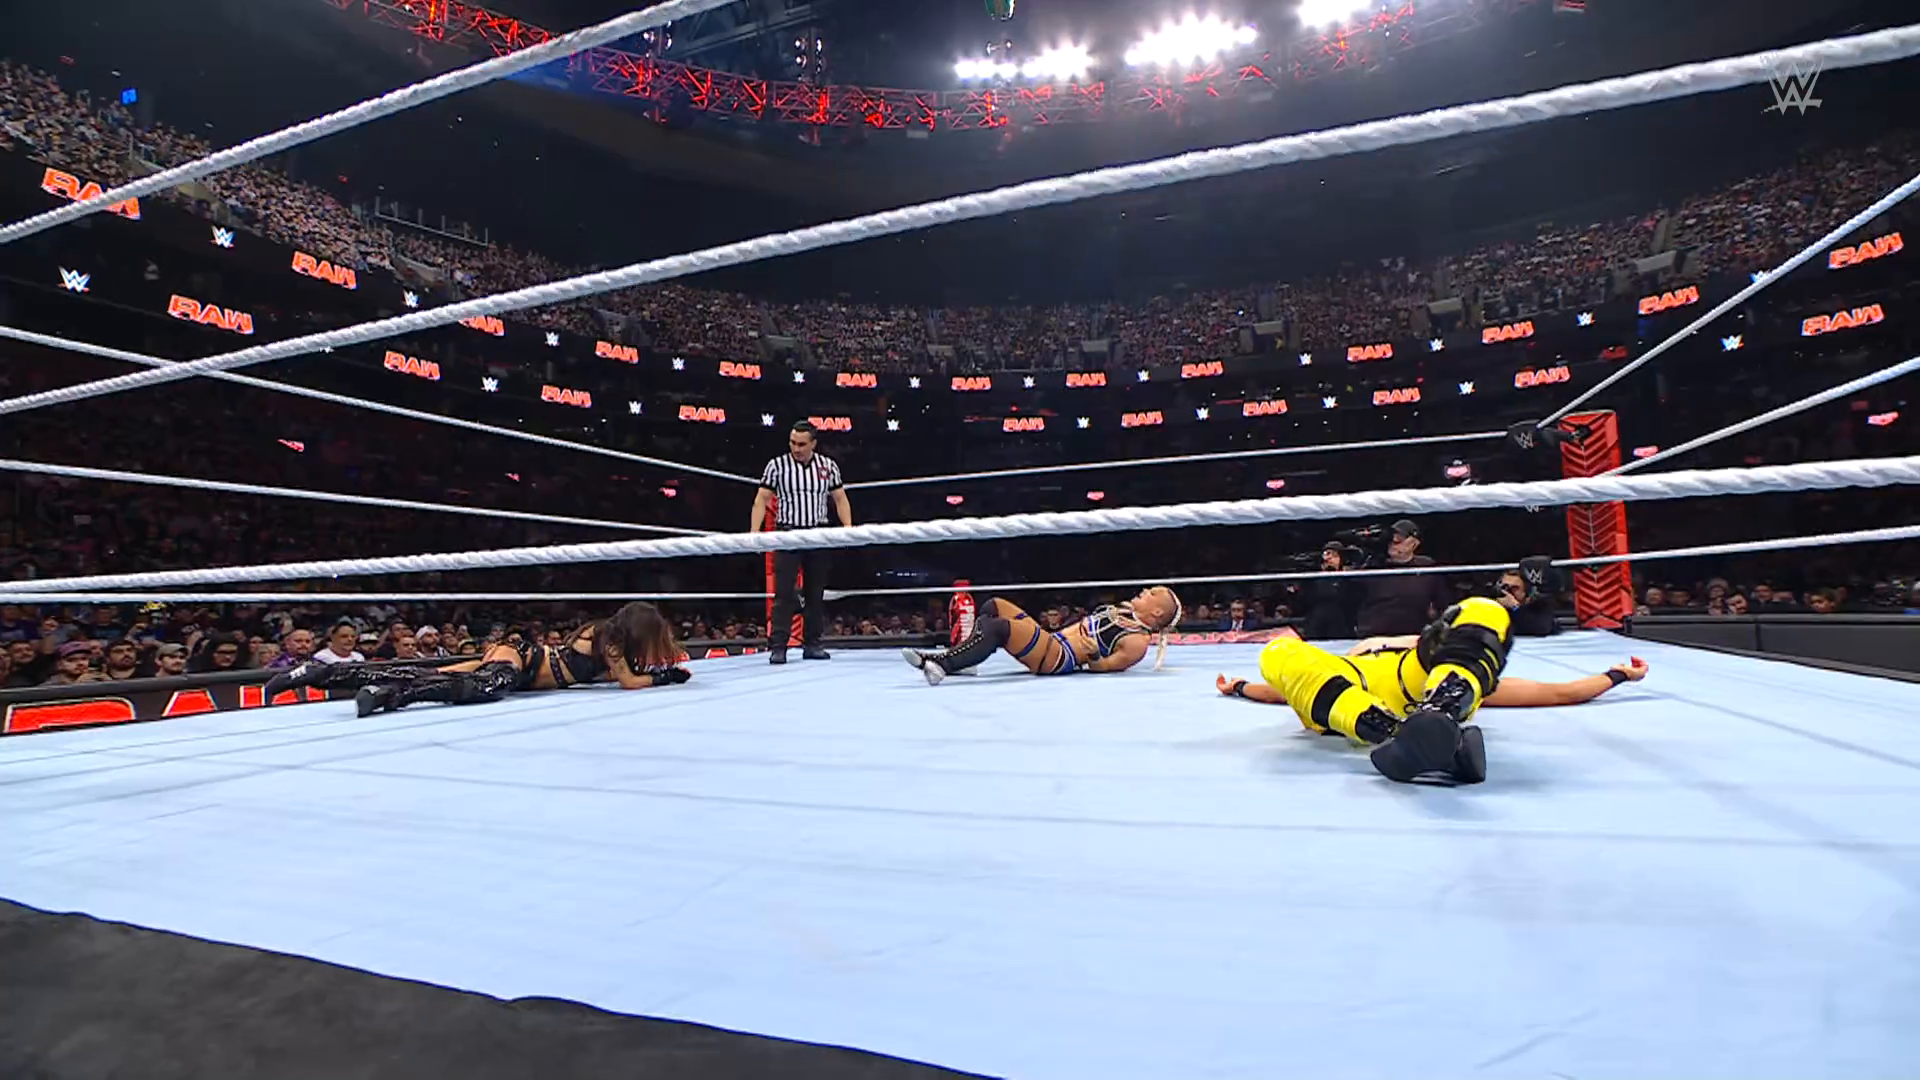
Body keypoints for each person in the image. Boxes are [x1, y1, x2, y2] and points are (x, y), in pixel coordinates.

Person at [263, 601, 691, 717]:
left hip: (523, 668)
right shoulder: (610, 640)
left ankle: (320, 672)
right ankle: (393, 696)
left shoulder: (609, 640)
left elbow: (626, 672)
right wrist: (665, 678)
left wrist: (664, 666)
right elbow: (630, 683)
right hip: (521, 660)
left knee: (424, 672)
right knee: (487, 685)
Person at [1251, 596, 1513, 785]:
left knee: (1485, 610)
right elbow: (1288, 688)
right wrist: (1242, 687)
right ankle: (1402, 732)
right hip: (1351, 689)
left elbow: (1506, 686)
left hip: (1426, 678)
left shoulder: (1465, 671)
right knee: (1278, 650)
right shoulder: (1331, 670)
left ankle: (1431, 716)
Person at [902, 587, 1183, 684]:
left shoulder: (1137, 641)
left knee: (999, 628)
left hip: (1058, 658)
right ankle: (965, 660)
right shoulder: (1123, 611)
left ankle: (941, 663)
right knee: (993, 606)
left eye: (1151, 594)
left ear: (1157, 612)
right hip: (1053, 640)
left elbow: (1105, 667)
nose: (1144, 591)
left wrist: (1093, 654)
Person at [750, 421, 852, 665]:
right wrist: (754, 533)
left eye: (802, 444)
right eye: (793, 443)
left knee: (815, 593)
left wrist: (849, 530)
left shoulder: (828, 466)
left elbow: (840, 498)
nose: (796, 448)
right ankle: (778, 647)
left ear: (813, 444)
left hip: (818, 533)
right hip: (788, 533)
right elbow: (761, 499)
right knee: (783, 593)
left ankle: (813, 644)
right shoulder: (776, 466)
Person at [1218, 651, 1647, 709]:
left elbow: (1282, 692)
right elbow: (1562, 693)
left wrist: (1238, 687)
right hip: (1370, 682)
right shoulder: (1460, 679)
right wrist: (1619, 675)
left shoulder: (1460, 680)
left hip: (1362, 686)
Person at [1354, 519, 1450, 637]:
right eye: (1392, 537)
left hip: (1413, 636)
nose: (1394, 541)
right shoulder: (1374, 566)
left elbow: (1442, 603)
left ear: (1414, 543)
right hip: (1374, 636)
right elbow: (1350, 596)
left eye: (1400, 538)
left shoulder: (1427, 568)